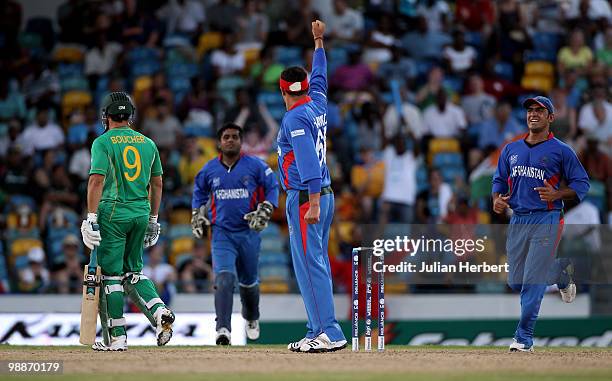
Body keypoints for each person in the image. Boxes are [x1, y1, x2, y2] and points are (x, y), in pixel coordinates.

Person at [492, 96, 590, 352]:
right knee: (516, 281)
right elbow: (499, 182)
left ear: (550, 118)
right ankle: (559, 271)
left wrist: (557, 194)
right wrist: (496, 200)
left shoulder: (561, 150)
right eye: (530, 110)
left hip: (547, 218)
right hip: (519, 219)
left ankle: (523, 338)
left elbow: (582, 184)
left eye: (540, 110)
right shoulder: (510, 149)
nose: (533, 114)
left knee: (532, 280)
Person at [80, 92, 175, 351]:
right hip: (141, 213)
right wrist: (154, 219)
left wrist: (90, 218)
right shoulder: (148, 143)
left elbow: (96, 180)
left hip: (112, 213)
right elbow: (157, 183)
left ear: (107, 115)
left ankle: (118, 338)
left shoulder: (103, 142)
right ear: (129, 115)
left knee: (110, 276)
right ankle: (159, 313)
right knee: (133, 273)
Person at [277, 20, 347, 353]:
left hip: (308, 197)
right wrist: (319, 41)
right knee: (312, 262)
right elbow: (321, 73)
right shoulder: (317, 101)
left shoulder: (294, 119)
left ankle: (329, 332)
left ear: (281, 91)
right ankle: (315, 328)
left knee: (310, 264)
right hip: (321, 194)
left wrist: (314, 203)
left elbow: (306, 163)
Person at [191, 122, 279, 345]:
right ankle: (223, 329)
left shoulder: (255, 165)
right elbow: (199, 192)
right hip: (221, 232)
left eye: (235, 137)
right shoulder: (209, 169)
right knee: (223, 278)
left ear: (241, 142)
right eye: (226, 137)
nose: (230, 140)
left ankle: (251, 317)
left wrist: (268, 206)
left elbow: (272, 185)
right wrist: (197, 212)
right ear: (219, 143)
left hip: (249, 231)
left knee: (249, 282)